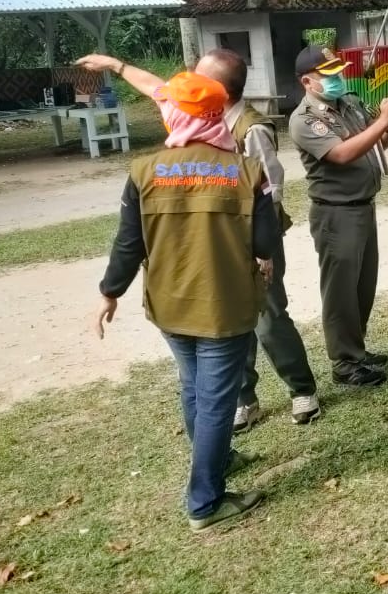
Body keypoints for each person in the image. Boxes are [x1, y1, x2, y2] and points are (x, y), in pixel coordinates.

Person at [91, 71, 277, 531]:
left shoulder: (144, 172)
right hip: (225, 306)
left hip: (170, 306)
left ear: (173, 115)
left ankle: (217, 462)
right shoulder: (247, 173)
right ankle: (205, 502)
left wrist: (110, 292)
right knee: (215, 400)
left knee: (195, 388)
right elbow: (267, 239)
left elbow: (128, 244)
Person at [194, 48, 320, 430]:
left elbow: (271, 193)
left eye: (202, 79)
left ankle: (302, 388)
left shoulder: (252, 129)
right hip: (219, 239)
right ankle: (244, 398)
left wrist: (261, 249)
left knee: (268, 316)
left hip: (255, 239)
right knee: (231, 319)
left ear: (219, 88)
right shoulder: (203, 121)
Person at [289, 46, 388, 387]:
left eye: (339, 71)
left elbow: (373, 144)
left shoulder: (350, 104)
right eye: (329, 75)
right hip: (335, 214)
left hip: (363, 206)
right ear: (308, 81)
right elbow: (340, 154)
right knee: (341, 291)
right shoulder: (305, 118)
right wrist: (382, 121)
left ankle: (356, 349)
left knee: (362, 286)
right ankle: (344, 362)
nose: (338, 78)